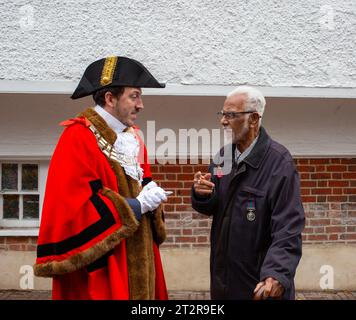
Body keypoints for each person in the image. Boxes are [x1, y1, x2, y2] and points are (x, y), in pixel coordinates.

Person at [34, 56, 169, 300]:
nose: (141, 105)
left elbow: (142, 185)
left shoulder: (134, 137)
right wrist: (136, 206)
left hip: (141, 257)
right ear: (110, 98)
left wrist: (152, 196)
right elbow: (74, 209)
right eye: (134, 96)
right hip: (104, 267)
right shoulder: (78, 137)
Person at [191, 86, 305, 300]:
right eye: (222, 114)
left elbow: (288, 227)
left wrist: (276, 273)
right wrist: (203, 194)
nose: (223, 121)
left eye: (231, 115)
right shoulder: (223, 156)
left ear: (253, 119)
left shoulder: (279, 163)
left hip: (259, 285)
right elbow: (214, 205)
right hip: (223, 280)